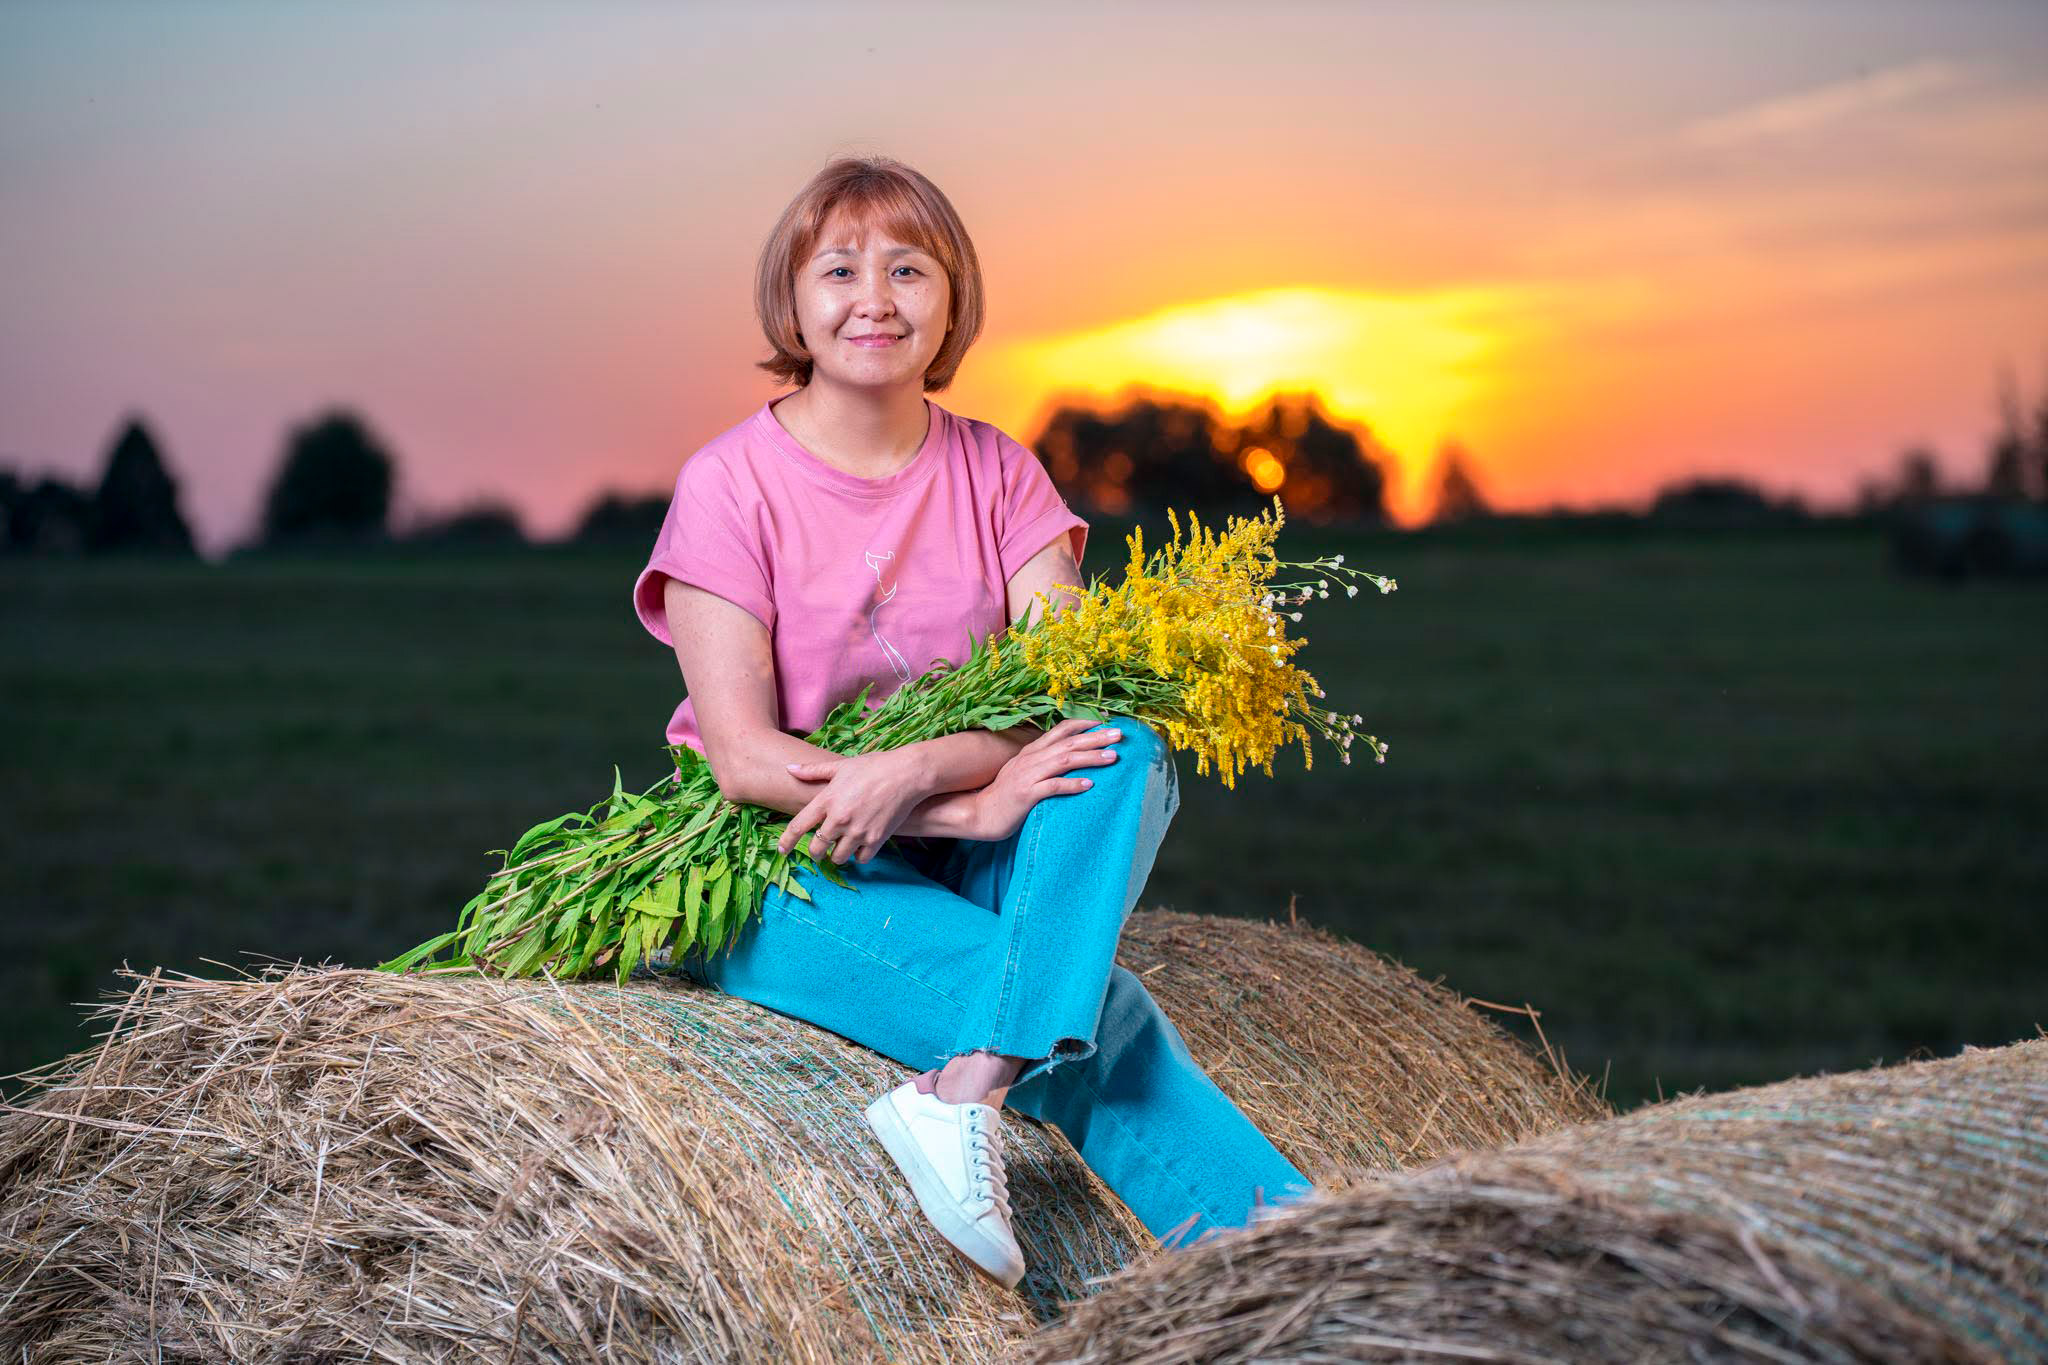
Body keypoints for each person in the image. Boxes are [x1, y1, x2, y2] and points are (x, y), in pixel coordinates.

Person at [632, 155, 1311, 1290]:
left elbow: (1074, 688)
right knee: (1094, 1015)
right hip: (787, 867)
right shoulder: (727, 484)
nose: (874, 299)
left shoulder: (998, 471)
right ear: (790, 300)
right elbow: (744, 760)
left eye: (909, 270)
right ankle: (1321, 1274)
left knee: (1122, 748)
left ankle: (966, 1091)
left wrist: (925, 774)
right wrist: (961, 801)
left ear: (954, 300)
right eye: (839, 270)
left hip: (968, 854)